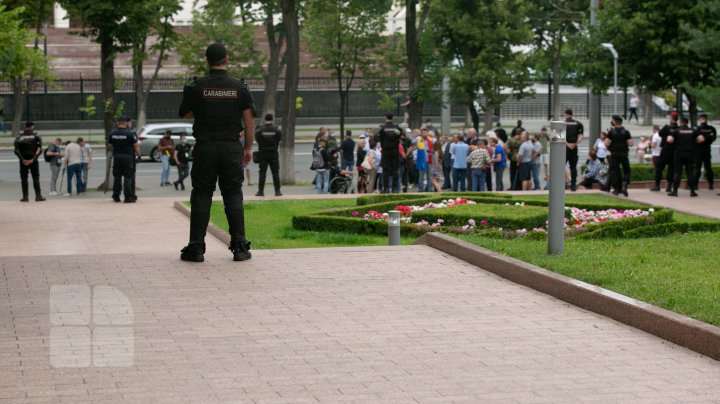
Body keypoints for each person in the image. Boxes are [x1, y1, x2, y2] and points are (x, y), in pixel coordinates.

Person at [177, 42, 256, 262]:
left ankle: (196, 248)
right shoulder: (239, 87)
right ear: (227, 59)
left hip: (205, 147)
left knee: (202, 194)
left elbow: (185, 114)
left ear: (207, 60)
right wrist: (247, 147)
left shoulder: (197, 86)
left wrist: (205, 111)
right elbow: (249, 120)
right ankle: (240, 247)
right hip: (231, 148)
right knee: (233, 194)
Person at [107, 116, 141, 203]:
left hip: (117, 157)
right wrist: (139, 155)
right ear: (126, 123)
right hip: (128, 157)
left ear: (118, 122)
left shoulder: (112, 133)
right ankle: (128, 197)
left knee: (117, 177)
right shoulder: (130, 133)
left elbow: (109, 146)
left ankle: (116, 196)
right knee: (128, 176)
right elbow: (136, 145)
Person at [667, 116, 703, 197]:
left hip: (679, 154)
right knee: (690, 173)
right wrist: (694, 141)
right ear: (687, 123)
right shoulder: (693, 131)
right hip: (690, 154)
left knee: (677, 172)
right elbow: (701, 139)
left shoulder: (677, 131)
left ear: (681, 122)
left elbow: (669, 140)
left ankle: (675, 191)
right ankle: (692, 192)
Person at [14, 122, 45, 202]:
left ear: (25, 126)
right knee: (36, 177)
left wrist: (22, 159)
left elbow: (16, 150)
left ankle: (25, 197)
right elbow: (39, 150)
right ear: (32, 126)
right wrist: (33, 159)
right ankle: (38, 196)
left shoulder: (19, 137)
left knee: (24, 178)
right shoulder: (36, 136)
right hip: (33, 160)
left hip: (23, 161)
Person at [254, 113, 282, 197]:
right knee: (275, 173)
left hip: (263, 154)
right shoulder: (276, 130)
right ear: (272, 119)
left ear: (265, 119)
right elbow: (279, 138)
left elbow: (257, 139)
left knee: (262, 173)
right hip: (273, 154)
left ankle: (260, 191)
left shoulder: (260, 130)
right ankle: (277, 191)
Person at [604, 115, 633, 197]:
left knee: (615, 171)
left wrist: (610, 148)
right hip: (624, 154)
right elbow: (630, 144)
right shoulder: (626, 132)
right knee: (626, 170)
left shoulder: (611, 132)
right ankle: (625, 184)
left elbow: (606, 143)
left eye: (612, 120)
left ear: (614, 121)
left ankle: (617, 189)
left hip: (614, 154)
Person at [651, 112, 678, 192]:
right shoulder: (678, 128)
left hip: (666, 150)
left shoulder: (666, 127)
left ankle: (657, 185)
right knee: (671, 168)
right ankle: (669, 186)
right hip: (674, 151)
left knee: (659, 168)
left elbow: (659, 134)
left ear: (671, 118)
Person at [377, 113, 402, 193]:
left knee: (385, 170)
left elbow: (379, 137)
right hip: (395, 151)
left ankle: (386, 188)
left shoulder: (382, 128)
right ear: (393, 118)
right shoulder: (397, 128)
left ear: (385, 117)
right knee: (395, 170)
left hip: (385, 151)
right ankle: (395, 188)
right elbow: (399, 136)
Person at [564, 108, 584, 191]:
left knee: (561, 166)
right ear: (572, 115)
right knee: (573, 167)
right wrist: (574, 144)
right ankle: (573, 185)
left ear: (566, 114)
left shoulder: (563, 123)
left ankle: (560, 184)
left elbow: (560, 137)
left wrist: (567, 144)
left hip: (565, 147)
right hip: (574, 147)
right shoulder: (578, 124)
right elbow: (581, 136)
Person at [694, 114, 716, 190]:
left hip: (698, 151)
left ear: (700, 119)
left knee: (697, 168)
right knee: (708, 168)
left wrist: (700, 141)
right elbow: (713, 139)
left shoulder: (697, 129)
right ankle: (711, 185)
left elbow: (694, 140)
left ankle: (695, 185)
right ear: (706, 119)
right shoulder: (712, 129)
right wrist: (707, 139)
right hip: (707, 150)